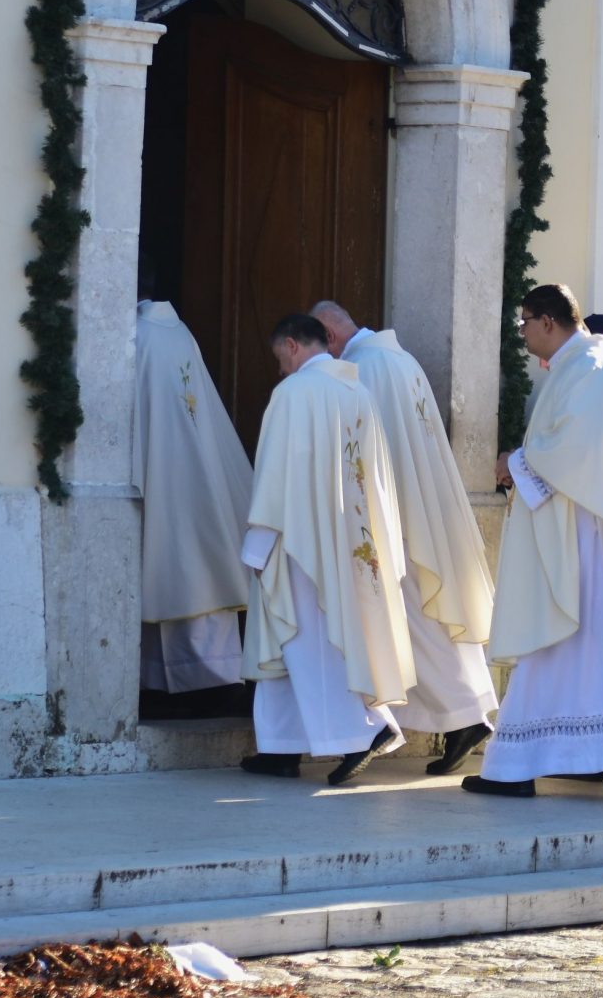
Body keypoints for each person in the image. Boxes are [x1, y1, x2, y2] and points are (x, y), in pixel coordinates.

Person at [465, 284, 603, 804]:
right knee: (562, 654)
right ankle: (515, 765)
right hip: (573, 537)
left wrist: (515, 462)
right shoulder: (582, 369)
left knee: (596, 656)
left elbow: (580, 455)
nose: (522, 336)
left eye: (524, 324)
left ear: (548, 322)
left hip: (587, 545)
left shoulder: (590, 372)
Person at [311, 301, 499, 772]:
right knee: (431, 618)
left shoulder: (363, 368)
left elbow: (359, 450)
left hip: (395, 514)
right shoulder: (399, 358)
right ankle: (466, 712)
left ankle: (463, 716)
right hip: (424, 504)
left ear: (329, 337)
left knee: (415, 620)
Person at [239, 314, 415, 786]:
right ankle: (279, 746)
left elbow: (277, 474)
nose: (280, 371)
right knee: (292, 640)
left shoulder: (294, 394)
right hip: (352, 538)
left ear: (293, 346)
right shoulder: (357, 391)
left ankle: (369, 730)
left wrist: (258, 546)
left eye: (280, 359)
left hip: (302, 541)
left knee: (308, 641)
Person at [132, 299, 251, 697]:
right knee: (205, 558)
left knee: (178, 566)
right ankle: (207, 680)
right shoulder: (182, 334)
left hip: (163, 462)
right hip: (199, 465)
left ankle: (184, 685)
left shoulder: (141, 336)